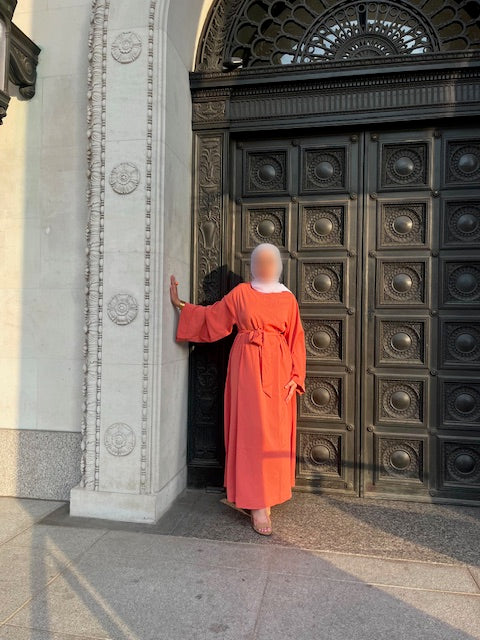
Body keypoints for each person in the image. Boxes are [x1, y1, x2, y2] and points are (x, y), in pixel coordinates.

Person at [170, 243, 306, 536]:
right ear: (253, 265)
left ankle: (267, 494)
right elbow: (213, 318)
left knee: (274, 433)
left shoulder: (287, 298)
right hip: (247, 367)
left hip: (279, 370)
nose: (265, 266)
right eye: (260, 261)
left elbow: (296, 337)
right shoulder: (241, 293)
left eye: (270, 261)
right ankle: (257, 504)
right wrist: (182, 305)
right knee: (251, 432)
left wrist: (297, 375)